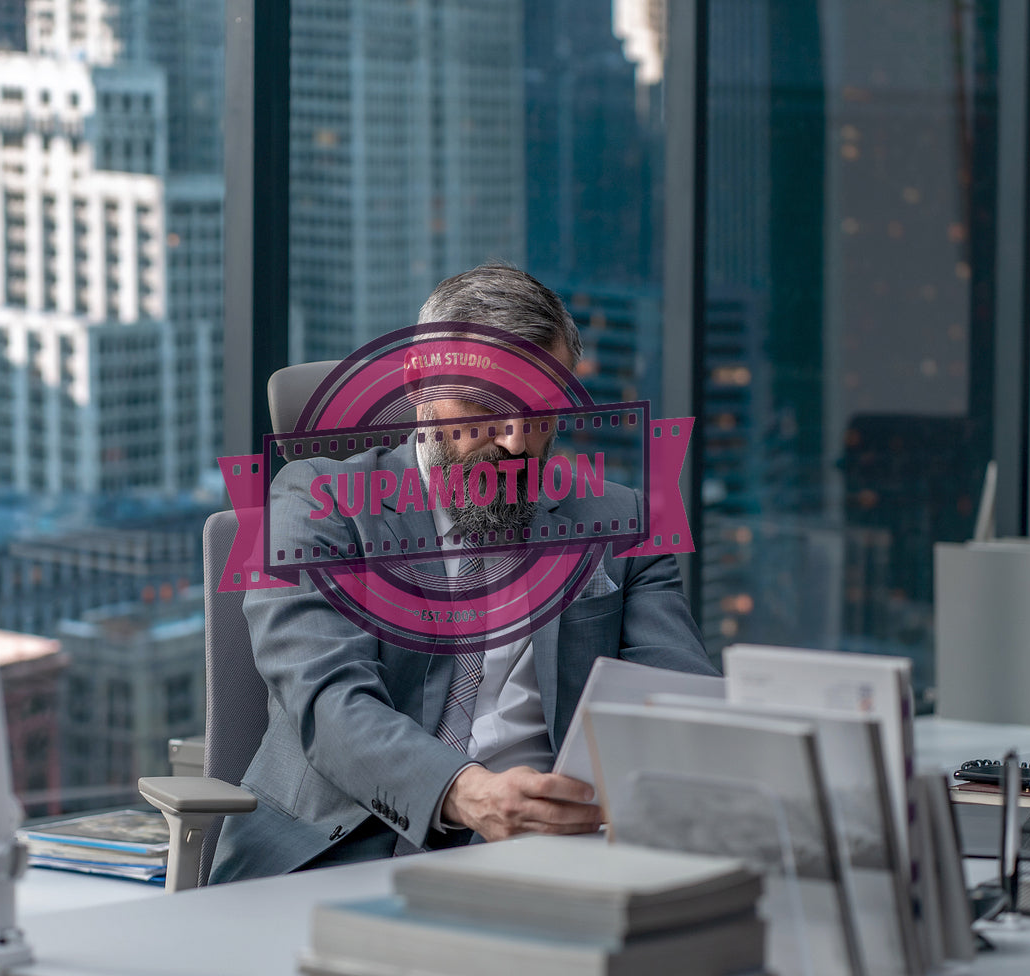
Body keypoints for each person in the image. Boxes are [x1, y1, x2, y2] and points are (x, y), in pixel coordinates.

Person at [209, 264, 716, 883]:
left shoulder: (623, 520)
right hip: (343, 849)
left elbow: (679, 693)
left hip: (557, 853)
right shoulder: (315, 500)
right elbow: (330, 702)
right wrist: (467, 793)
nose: (515, 440)